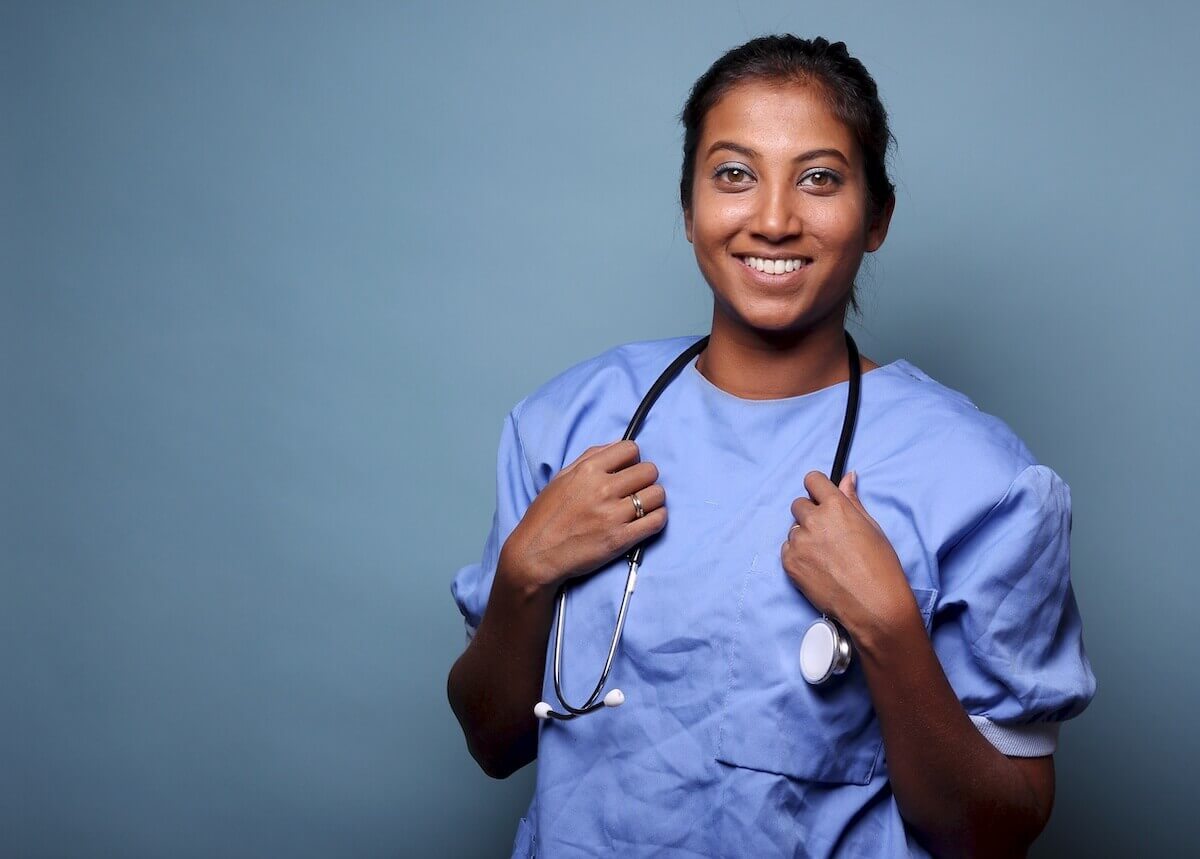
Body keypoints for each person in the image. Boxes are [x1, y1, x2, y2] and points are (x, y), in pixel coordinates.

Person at [447, 34, 1096, 858]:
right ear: (688, 208)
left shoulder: (981, 481)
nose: (775, 218)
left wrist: (891, 629)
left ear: (877, 218)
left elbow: (994, 831)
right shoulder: (568, 425)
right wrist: (524, 572)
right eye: (734, 174)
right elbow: (491, 741)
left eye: (820, 178)